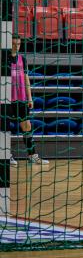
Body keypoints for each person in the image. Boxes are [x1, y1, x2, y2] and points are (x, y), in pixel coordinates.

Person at [4, 34, 48, 166]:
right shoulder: (3, 58)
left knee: (27, 126)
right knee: (5, 128)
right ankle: (7, 156)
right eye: (13, 44)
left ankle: (32, 155)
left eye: (18, 44)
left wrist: (30, 98)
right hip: (6, 99)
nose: (16, 47)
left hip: (21, 98)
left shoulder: (22, 59)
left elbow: (26, 79)